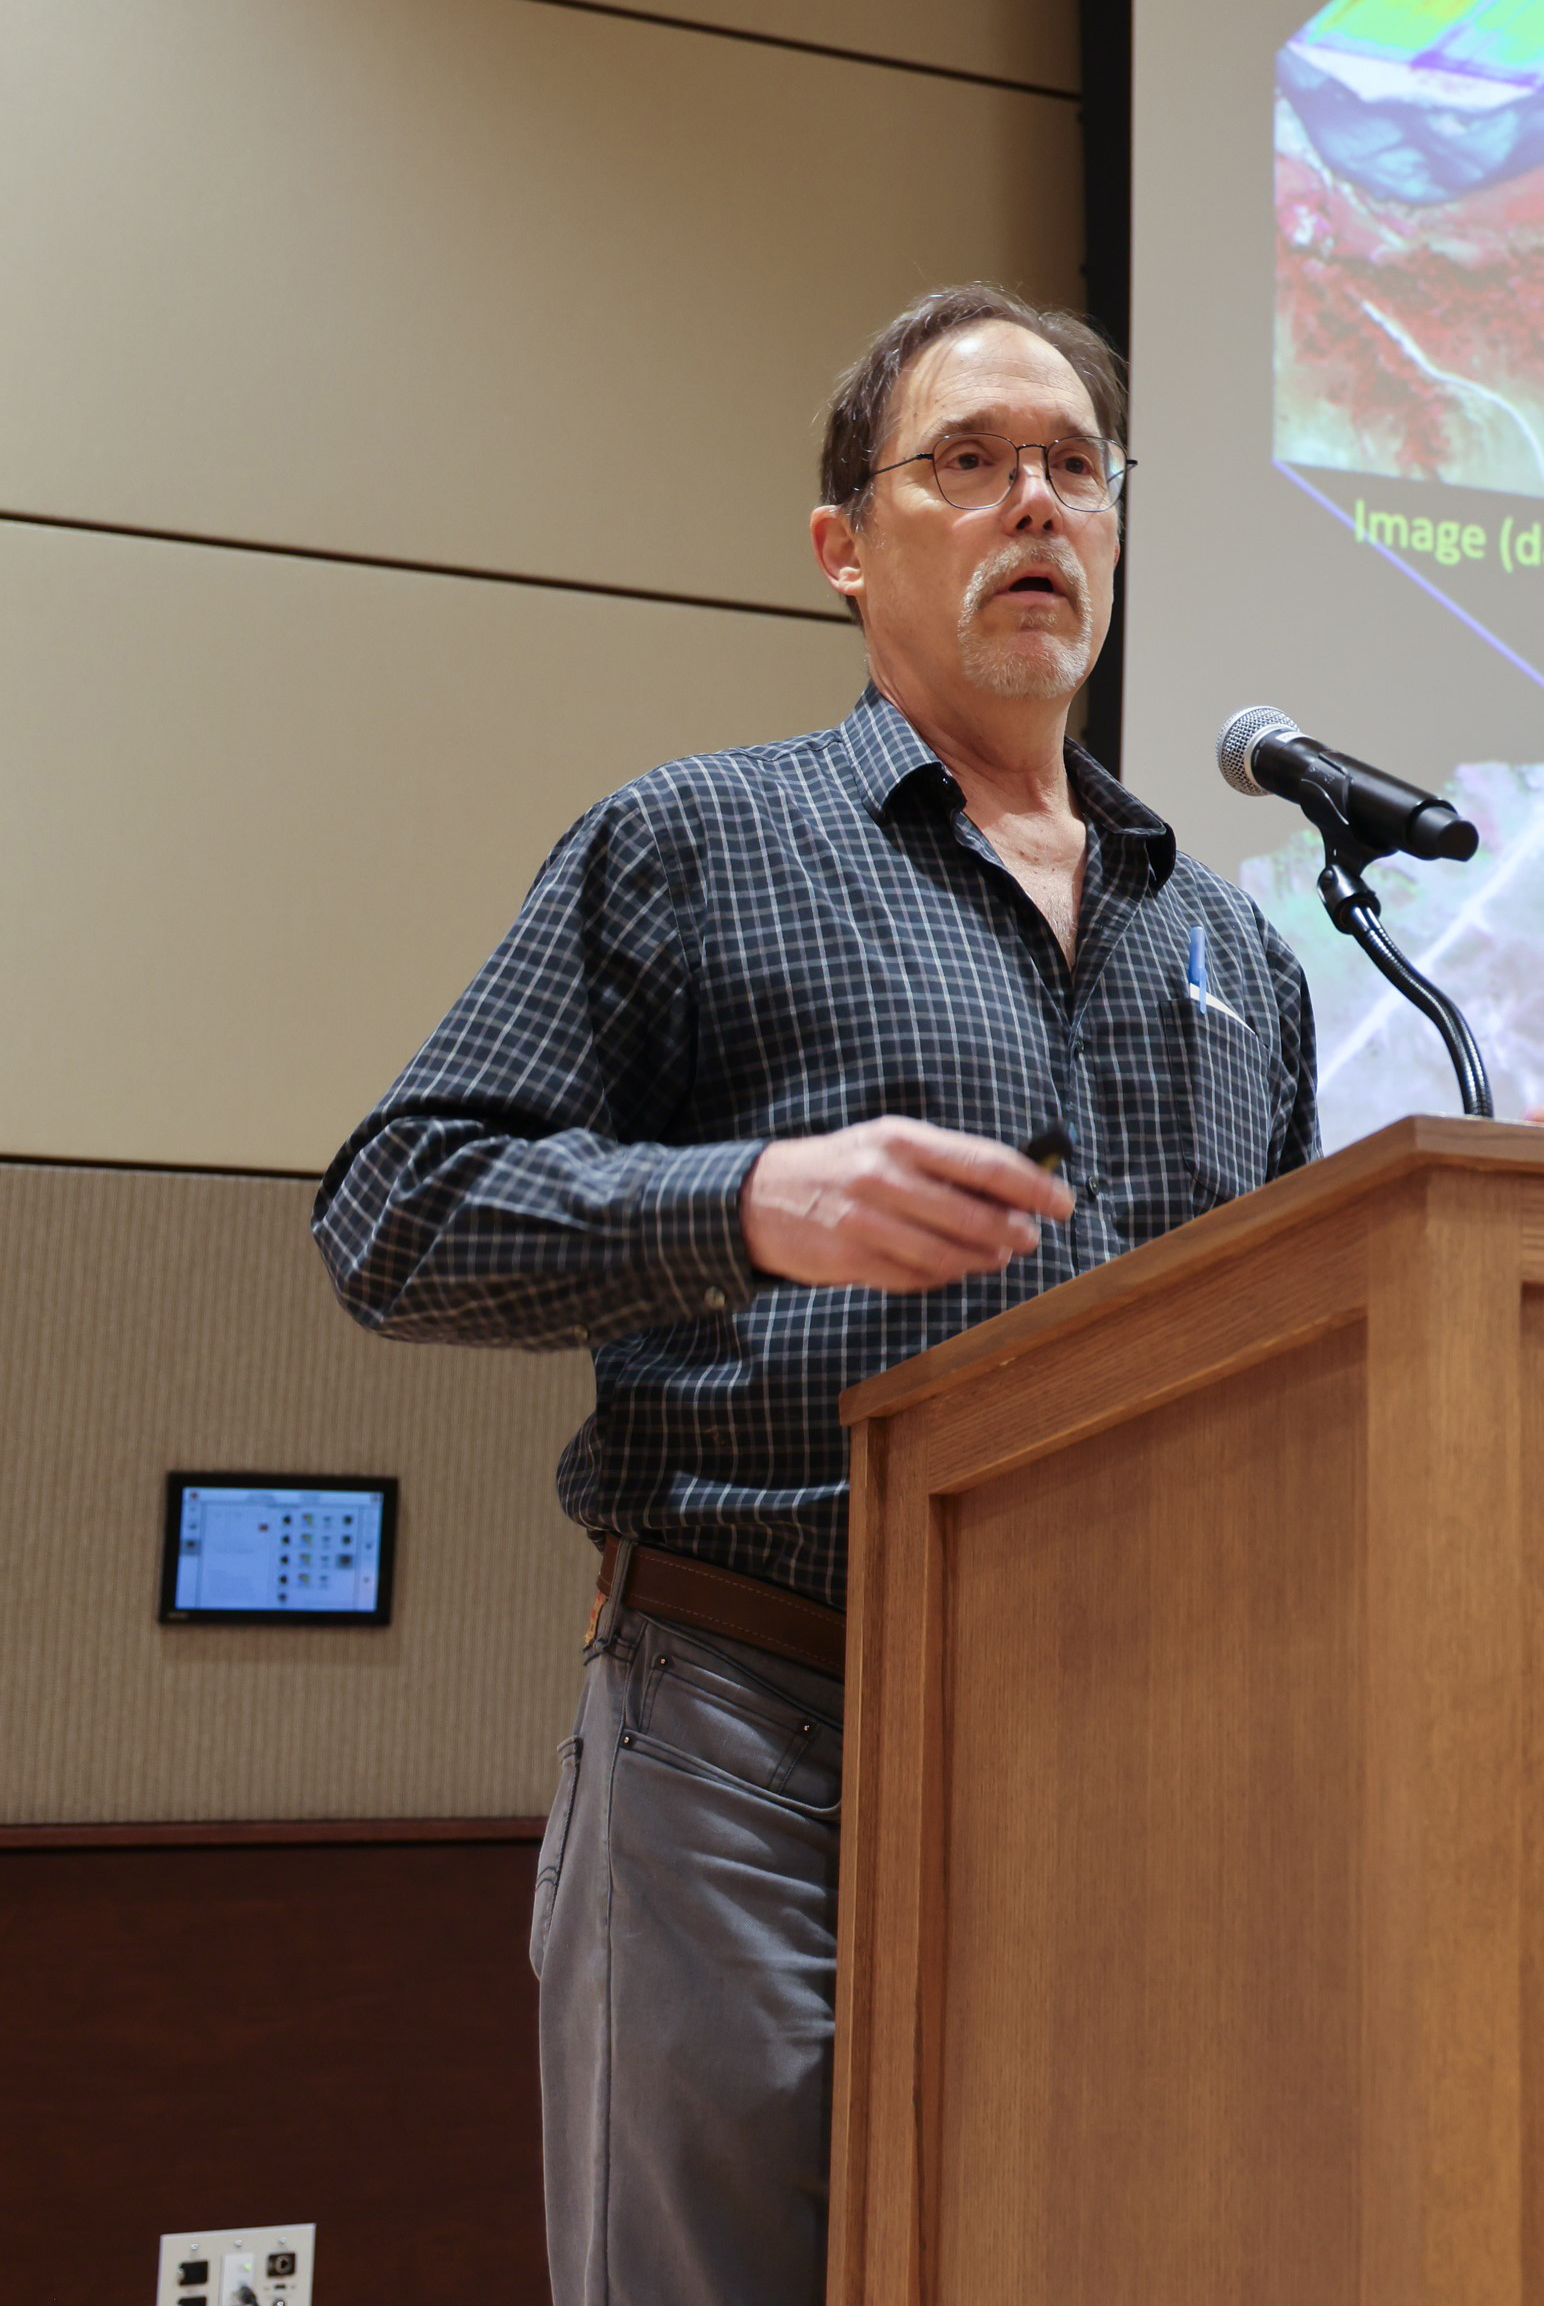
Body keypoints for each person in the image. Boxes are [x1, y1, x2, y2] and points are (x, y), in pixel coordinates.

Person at [314, 284, 1318, 2306]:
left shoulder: (1235, 945)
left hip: (1138, 1750)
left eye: (1074, 466)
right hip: (759, 1723)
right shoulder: (695, 846)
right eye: (969, 463)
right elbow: (396, 1213)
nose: (1034, 501)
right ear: (846, 546)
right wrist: (751, 1204)